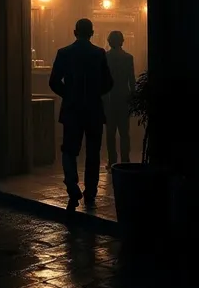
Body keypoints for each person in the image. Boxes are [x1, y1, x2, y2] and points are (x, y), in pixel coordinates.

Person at [49, 18, 113, 211]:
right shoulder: (99, 53)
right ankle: (91, 192)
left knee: (69, 149)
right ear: (92, 33)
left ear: (74, 32)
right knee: (93, 151)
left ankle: (72, 185)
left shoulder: (64, 53)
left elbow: (53, 81)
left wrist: (69, 94)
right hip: (93, 109)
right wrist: (94, 93)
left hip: (72, 109)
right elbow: (108, 82)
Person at [104, 30, 136, 169]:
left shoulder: (105, 57)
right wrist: (134, 98)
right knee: (124, 132)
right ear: (122, 41)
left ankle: (112, 161)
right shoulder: (128, 58)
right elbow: (132, 80)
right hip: (124, 97)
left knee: (110, 132)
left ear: (109, 41)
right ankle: (125, 160)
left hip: (109, 98)